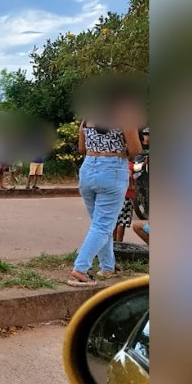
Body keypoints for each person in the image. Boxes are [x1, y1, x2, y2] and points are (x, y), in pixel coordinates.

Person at [68, 113, 143, 287]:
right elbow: (136, 150)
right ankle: (80, 269)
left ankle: (107, 266)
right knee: (103, 225)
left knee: (100, 223)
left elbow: (81, 149)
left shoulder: (88, 118)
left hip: (88, 168)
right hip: (112, 169)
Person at [113, 161, 136, 242]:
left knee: (115, 220)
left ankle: (113, 241)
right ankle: (119, 242)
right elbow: (129, 175)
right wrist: (132, 186)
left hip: (116, 193)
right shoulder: (129, 164)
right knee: (122, 221)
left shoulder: (117, 162)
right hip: (126, 195)